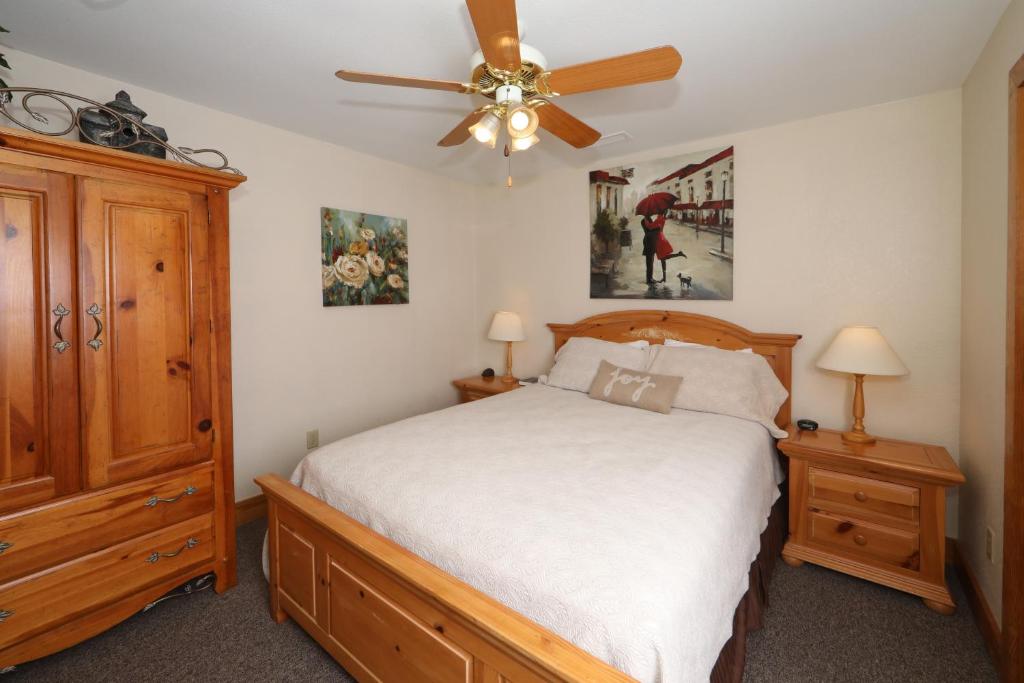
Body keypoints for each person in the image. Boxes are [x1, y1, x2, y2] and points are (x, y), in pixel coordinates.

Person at [641, 212, 686, 284]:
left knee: (662, 258)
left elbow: (651, 227)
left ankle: (659, 278)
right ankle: (657, 278)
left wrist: (648, 222)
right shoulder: (657, 219)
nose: (653, 212)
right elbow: (650, 229)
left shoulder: (658, 219)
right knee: (661, 259)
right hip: (656, 240)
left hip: (658, 240)